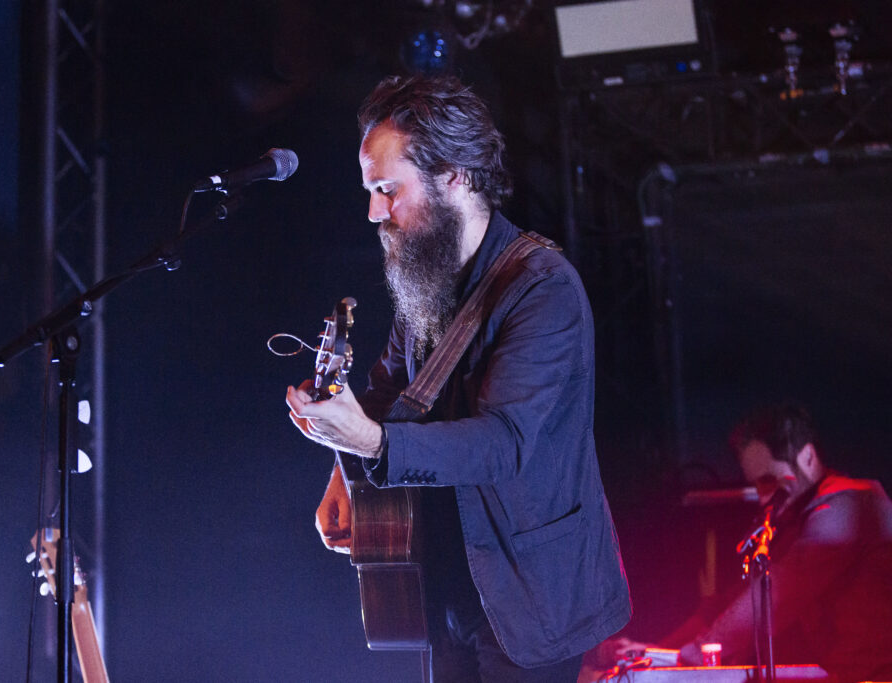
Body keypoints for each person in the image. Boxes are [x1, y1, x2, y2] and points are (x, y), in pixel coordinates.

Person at [285, 74, 631, 681]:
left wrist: (367, 444)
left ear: (456, 175)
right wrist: (342, 460)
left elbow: (503, 443)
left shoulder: (543, 289)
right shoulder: (427, 280)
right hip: (445, 585)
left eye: (388, 189)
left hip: (530, 598)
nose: (373, 211)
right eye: (370, 191)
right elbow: (389, 396)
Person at [613, 403, 892, 681]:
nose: (762, 497)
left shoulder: (850, 505)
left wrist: (689, 655)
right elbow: (736, 600)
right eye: (757, 484)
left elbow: (775, 596)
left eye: (770, 480)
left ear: (807, 457)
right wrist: (659, 653)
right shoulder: (801, 519)